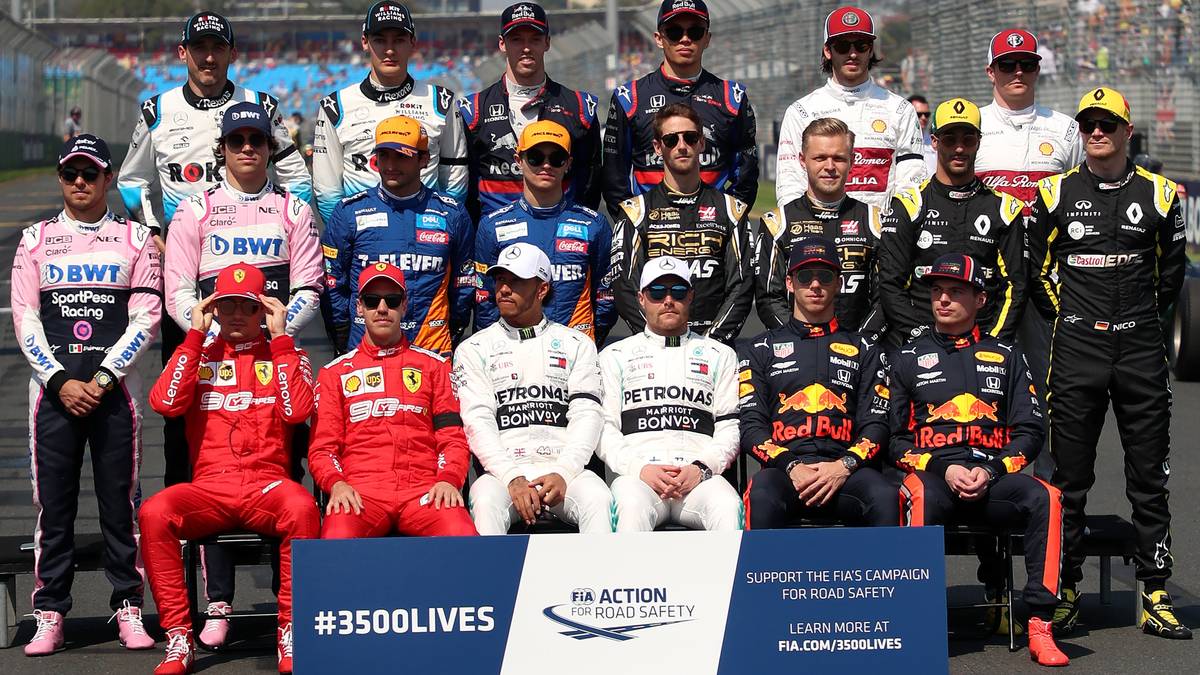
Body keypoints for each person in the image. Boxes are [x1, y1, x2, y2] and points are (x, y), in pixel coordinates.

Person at [1028, 87, 1190, 639]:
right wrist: (1071, 318)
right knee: (1069, 478)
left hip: (1140, 348)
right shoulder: (1053, 192)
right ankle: (1067, 588)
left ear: (1127, 130)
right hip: (1078, 348)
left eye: (1108, 124)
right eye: (1089, 125)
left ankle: (1156, 591)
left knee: (1149, 477)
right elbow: (1037, 270)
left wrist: (1139, 320)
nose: (1097, 133)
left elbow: (1171, 275)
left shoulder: (1161, 194)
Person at [160, 101, 322, 649]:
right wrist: (212, 337)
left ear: (270, 148)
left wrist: (267, 333)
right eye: (237, 141)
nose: (248, 148)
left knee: (282, 469)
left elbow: (309, 287)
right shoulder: (194, 209)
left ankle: (287, 613)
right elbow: (178, 290)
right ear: (222, 150)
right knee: (209, 460)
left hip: (273, 350)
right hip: (212, 350)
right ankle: (218, 602)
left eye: (257, 140)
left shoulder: (293, 209)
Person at [12, 135, 161, 656]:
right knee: (53, 508)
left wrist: (101, 378)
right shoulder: (34, 239)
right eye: (71, 173)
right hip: (52, 396)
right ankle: (49, 611)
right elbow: (25, 318)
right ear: (60, 178)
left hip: (115, 394)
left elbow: (146, 318)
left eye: (90, 173)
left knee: (121, 505)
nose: (80, 182)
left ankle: (128, 605)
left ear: (108, 179)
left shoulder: (136, 239)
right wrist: (59, 380)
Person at [889, 253, 1068, 667]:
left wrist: (991, 469)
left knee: (1048, 497)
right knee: (919, 495)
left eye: (955, 292)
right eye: (937, 291)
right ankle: (917, 621)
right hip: (935, 475)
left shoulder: (1007, 355)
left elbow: (1030, 432)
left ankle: (1040, 623)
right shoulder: (906, 357)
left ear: (980, 300)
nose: (943, 299)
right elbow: (894, 441)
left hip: (993, 476)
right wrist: (943, 467)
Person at [141, 263, 320, 675]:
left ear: (264, 310)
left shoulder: (289, 355)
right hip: (210, 487)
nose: (237, 314)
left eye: (247, 306)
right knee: (154, 512)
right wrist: (193, 336)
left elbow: (298, 413)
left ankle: (291, 630)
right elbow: (164, 403)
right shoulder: (196, 354)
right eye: (227, 306)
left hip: (268, 486)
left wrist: (281, 339)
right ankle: (179, 637)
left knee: (303, 508)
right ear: (214, 309)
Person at [975, 28, 1084, 482]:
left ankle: (1045, 487)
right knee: (981, 384)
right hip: (985, 281)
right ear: (991, 71)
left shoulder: (1066, 129)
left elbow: (1080, 195)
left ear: (1039, 69)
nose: (1017, 72)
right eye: (1007, 64)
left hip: (1045, 280)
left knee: (1047, 386)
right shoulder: (971, 127)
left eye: (1027, 64)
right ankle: (981, 482)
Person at [309, 262, 478, 539]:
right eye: (372, 300)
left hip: (425, 491)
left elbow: (453, 439)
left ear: (404, 305)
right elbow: (323, 449)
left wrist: (448, 479)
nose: (382, 308)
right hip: (361, 494)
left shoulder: (435, 366)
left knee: (461, 532)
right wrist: (336, 483)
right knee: (337, 536)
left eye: (392, 300)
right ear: (359, 307)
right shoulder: (334, 374)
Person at [455, 243, 613, 534]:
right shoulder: (473, 348)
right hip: (503, 474)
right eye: (500, 280)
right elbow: (477, 421)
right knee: (485, 501)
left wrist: (564, 471)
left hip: (565, 470)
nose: (504, 289)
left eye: (516, 281)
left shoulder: (577, 344)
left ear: (542, 289)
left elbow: (588, 415)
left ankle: (598, 568)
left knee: (599, 499)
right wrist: (511, 476)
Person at [739, 238, 896, 529]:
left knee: (884, 496)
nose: (815, 285)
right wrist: (790, 465)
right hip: (785, 470)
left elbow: (877, 425)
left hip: (846, 470)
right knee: (761, 496)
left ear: (839, 284)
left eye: (824, 277)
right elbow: (751, 427)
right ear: (789, 283)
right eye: (804, 277)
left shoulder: (865, 348)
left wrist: (843, 466)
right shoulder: (759, 348)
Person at [119, 10, 312, 237]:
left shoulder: (262, 104)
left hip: (254, 243)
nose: (209, 58)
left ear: (233, 54)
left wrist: (287, 228)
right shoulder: (156, 110)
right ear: (183, 53)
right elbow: (132, 180)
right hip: (184, 245)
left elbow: (296, 178)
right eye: (199, 47)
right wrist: (150, 233)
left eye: (218, 48)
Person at [598, 256, 742, 532]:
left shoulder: (720, 355)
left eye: (677, 292)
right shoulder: (614, 355)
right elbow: (604, 429)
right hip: (639, 478)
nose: (668, 300)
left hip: (698, 479)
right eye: (657, 292)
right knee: (629, 506)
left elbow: (730, 428)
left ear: (690, 297)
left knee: (727, 505)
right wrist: (639, 468)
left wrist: (701, 468)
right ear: (641, 299)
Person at [877, 97, 1025, 346]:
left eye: (968, 139)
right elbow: (891, 284)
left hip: (983, 342)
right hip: (921, 342)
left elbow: (1015, 287)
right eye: (949, 139)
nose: (959, 148)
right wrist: (921, 338)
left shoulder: (1004, 208)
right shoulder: (910, 204)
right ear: (934, 142)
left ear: (979, 142)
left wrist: (993, 341)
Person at [321, 115, 473, 355]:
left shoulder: (452, 213)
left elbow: (464, 283)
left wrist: (455, 329)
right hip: (366, 349)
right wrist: (341, 332)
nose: (391, 165)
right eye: (384, 155)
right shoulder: (349, 212)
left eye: (402, 156)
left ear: (424, 159)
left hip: (432, 348)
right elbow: (333, 282)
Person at [611, 103, 753, 344]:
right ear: (658, 147)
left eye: (690, 137)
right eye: (671, 140)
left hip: (713, 348)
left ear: (702, 143)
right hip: (653, 348)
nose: (682, 146)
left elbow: (742, 286)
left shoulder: (731, 210)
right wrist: (656, 339)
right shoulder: (635, 212)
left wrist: (712, 343)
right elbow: (625, 289)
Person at [313, 1, 468, 223]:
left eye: (399, 40)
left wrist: (437, 229)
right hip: (362, 236)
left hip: (427, 234)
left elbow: (455, 184)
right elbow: (327, 192)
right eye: (379, 40)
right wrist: (350, 234)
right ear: (365, 42)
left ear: (412, 42)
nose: (389, 50)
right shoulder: (334, 106)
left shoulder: (442, 101)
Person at [601, 0, 758, 218]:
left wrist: (726, 220)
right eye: (674, 32)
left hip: (712, 225)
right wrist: (634, 224)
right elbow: (614, 178)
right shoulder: (629, 98)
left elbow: (746, 176)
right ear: (659, 38)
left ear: (707, 38)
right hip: (650, 226)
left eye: (695, 32)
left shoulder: (732, 97)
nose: (685, 39)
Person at [458, 2, 601, 220]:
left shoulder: (580, 107)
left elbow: (590, 185)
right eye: (517, 39)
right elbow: (464, 189)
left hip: (561, 232)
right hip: (495, 234)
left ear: (547, 42)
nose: (526, 48)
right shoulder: (472, 110)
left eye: (534, 39)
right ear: (502, 44)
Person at [474, 120, 614, 342]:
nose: (546, 165)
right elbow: (485, 300)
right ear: (518, 161)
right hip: (514, 348)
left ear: (568, 164)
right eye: (536, 157)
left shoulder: (594, 224)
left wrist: (587, 344)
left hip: (574, 350)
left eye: (556, 158)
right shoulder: (492, 226)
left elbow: (606, 296)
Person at [775, 6, 926, 211]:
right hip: (819, 228)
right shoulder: (801, 111)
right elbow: (790, 182)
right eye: (843, 46)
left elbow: (912, 182)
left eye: (861, 45)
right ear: (827, 51)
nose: (853, 54)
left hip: (883, 228)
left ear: (871, 50)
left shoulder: (900, 109)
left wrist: (893, 226)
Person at [754, 117, 883, 337]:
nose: (829, 167)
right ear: (802, 160)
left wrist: (860, 344)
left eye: (839, 158)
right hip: (797, 347)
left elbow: (885, 298)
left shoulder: (875, 221)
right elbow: (768, 298)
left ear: (852, 161)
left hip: (858, 348)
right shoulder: (777, 223)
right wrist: (801, 340)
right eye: (820, 158)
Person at [907, 94, 937, 175]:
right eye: (918, 114)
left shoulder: (934, 142)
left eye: (926, 115)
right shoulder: (899, 142)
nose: (923, 118)